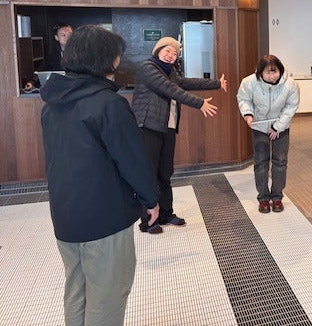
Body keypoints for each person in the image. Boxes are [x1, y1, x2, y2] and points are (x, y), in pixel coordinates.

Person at [40, 25, 159, 326]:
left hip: (65, 215)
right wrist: (150, 199)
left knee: (77, 290)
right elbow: (132, 160)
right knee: (107, 298)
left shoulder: (52, 104)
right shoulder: (109, 104)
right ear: (105, 59)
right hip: (104, 217)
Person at [132, 36, 227, 234]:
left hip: (167, 128)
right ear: (157, 51)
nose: (171, 55)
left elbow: (187, 82)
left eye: (175, 53)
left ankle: (166, 214)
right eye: (167, 50)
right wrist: (199, 103)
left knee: (165, 173)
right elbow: (170, 89)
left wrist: (217, 83)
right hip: (148, 126)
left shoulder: (171, 73)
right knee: (149, 174)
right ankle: (148, 221)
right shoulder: (147, 68)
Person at [237, 54, 300, 213]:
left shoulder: (290, 84)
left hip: (281, 127)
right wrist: (248, 114)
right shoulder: (249, 82)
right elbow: (243, 99)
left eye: (275, 71)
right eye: (267, 72)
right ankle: (263, 198)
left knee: (280, 161)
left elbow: (291, 106)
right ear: (260, 72)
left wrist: (278, 127)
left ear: (280, 70)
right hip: (259, 126)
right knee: (260, 162)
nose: (272, 76)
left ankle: (277, 197)